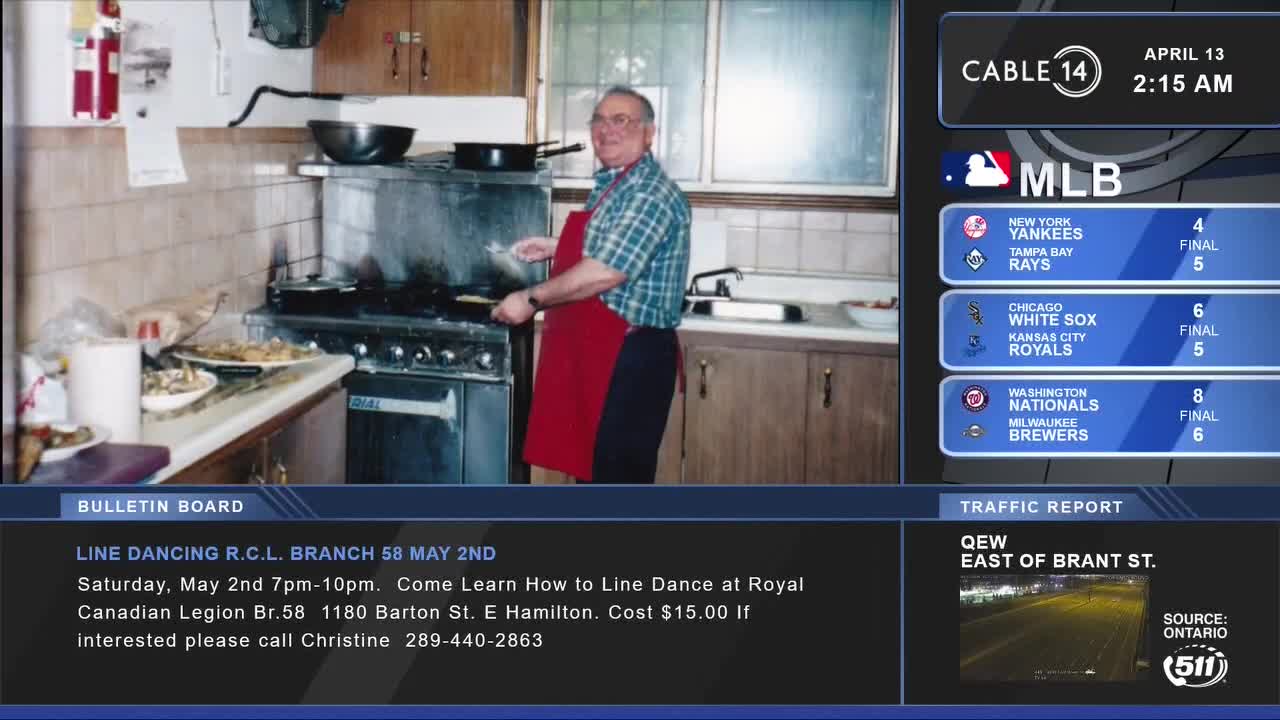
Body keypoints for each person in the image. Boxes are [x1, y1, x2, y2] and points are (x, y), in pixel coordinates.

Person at [490, 86, 690, 484]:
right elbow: (610, 244)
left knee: (614, 484)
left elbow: (606, 271)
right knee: (595, 476)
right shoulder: (617, 183)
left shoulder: (649, 193)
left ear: (649, 133)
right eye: (599, 120)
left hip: (630, 359)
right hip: (603, 350)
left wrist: (530, 299)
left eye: (621, 120)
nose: (606, 129)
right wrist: (556, 247)